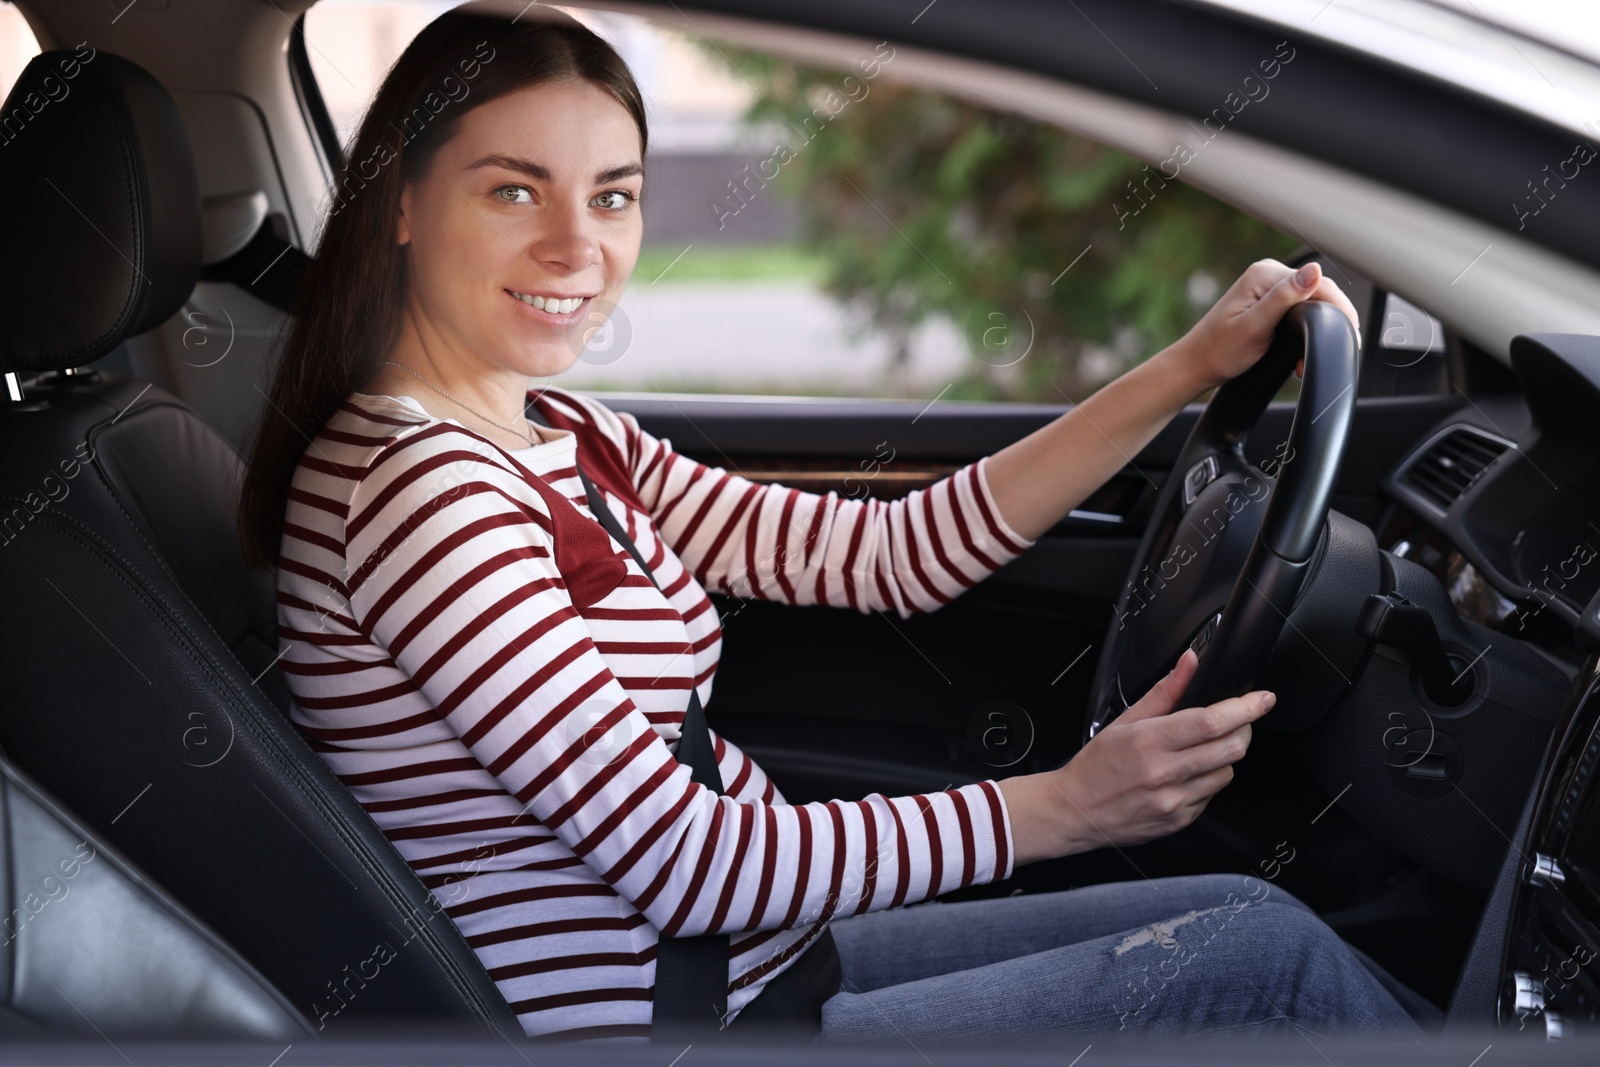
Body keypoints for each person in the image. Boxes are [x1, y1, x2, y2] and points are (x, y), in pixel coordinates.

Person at [236, 4, 1431, 1046]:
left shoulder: (561, 430)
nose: (577, 246)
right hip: (678, 1016)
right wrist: (1065, 804)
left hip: (761, 961)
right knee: (1269, 973)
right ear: (398, 202)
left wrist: (1184, 369)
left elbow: (888, 557)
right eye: (513, 190)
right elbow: (680, 862)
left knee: (1252, 921)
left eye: (612, 195)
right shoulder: (417, 493)